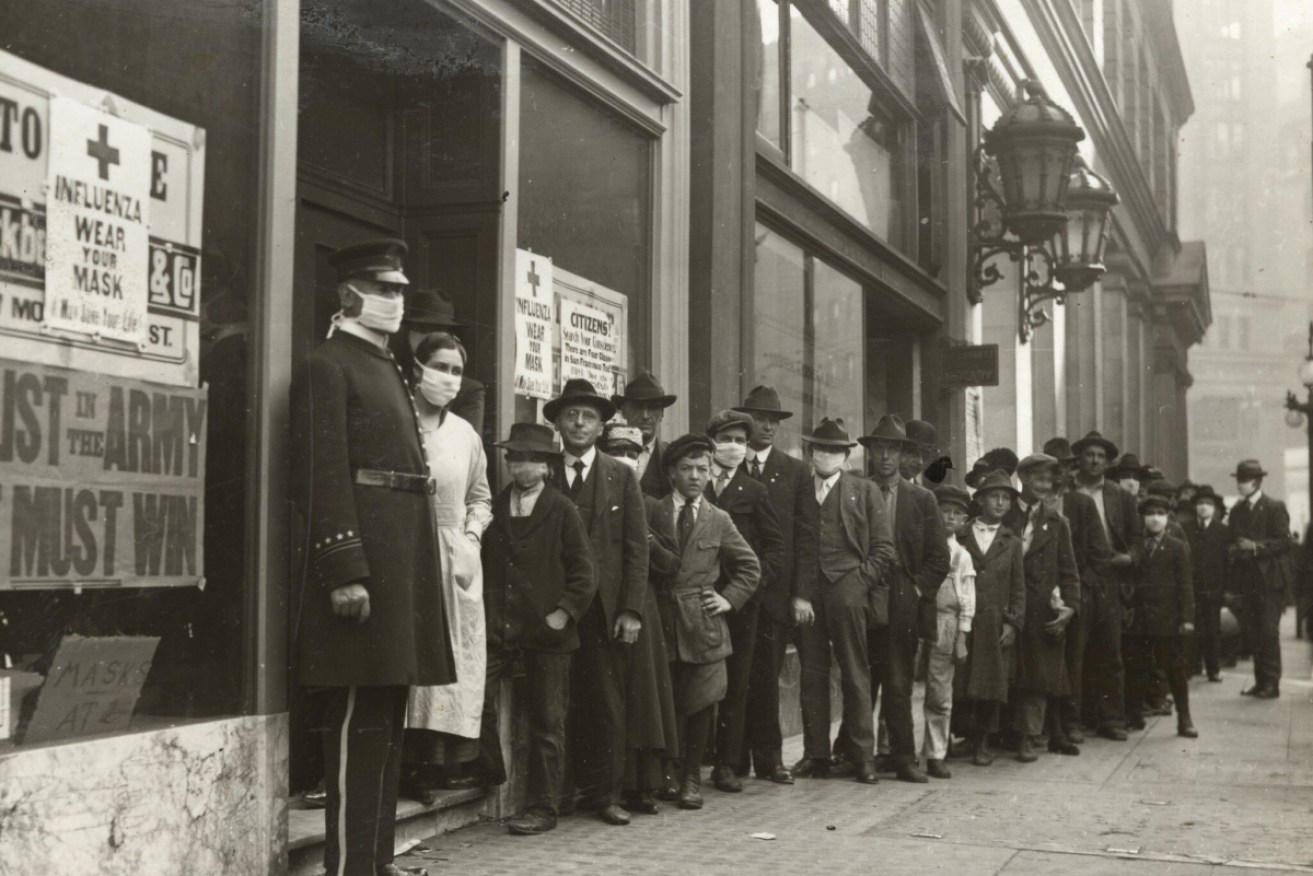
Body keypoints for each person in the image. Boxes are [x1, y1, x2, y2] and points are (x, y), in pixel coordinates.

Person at [290, 238, 454, 876]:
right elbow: (321, 472)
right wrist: (344, 568)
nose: (397, 300)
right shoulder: (329, 364)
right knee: (359, 721)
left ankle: (374, 862)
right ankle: (351, 868)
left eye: (401, 290)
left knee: (386, 723)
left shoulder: (384, 367)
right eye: (385, 289)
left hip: (402, 564)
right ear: (348, 294)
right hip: (365, 570)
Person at [478, 423, 596, 835]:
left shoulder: (562, 509)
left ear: (546, 466)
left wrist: (562, 615)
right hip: (500, 629)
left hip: (548, 634)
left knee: (547, 722)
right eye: (514, 458)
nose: (520, 466)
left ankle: (542, 807)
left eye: (530, 459)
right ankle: (490, 773)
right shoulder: (494, 506)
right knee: (476, 697)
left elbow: (585, 573)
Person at [548, 378, 649, 825]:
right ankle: (562, 791)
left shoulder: (620, 475)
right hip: (556, 609)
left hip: (606, 611)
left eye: (588, 415)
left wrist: (631, 609)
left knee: (606, 702)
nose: (579, 422)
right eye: (570, 414)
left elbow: (635, 549)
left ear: (601, 424)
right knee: (557, 701)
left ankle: (606, 794)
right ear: (557, 422)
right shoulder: (546, 472)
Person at [645, 433, 762, 809]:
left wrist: (727, 600)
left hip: (704, 626)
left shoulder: (718, 518)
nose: (695, 476)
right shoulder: (654, 511)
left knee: (701, 703)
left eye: (702, 469)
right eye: (686, 469)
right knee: (667, 702)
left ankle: (692, 777)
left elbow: (749, 567)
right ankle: (669, 773)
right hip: (662, 620)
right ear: (670, 473)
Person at [402, 332, 494, 800]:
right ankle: (404, 766)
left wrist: (471, 538)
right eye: (440, 367)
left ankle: (438, 764)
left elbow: (481, 497)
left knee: (454, 659)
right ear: (417, 368)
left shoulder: (464, 433)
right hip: (406, 549)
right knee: (410, 653)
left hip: (455, 554)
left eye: (457, 370)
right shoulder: (399, 423)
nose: (448, 378)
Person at [790, 418, 896, 784]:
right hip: (808, 593)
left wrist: (859, 581)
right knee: (812, 674)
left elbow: (884, 548)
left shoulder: (864, 491)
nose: (828, 455)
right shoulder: (801, 488)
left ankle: (862, 756)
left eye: (836, 450)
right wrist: (799, 593)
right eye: (821, 449)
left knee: (855, 671)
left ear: (847, 455)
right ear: (809, 452)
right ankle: (816, 754)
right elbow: (795, 545)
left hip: (848, 587)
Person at [857, 415, 950, 784]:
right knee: (860, 678)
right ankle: (857, 754)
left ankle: (903, 758)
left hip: (901, 595)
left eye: (892, 449)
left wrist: (914, 590)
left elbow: (939, 558)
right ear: (869, 452)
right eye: (878, 448)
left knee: (897, 682)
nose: (884, 456)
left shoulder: (922, 499)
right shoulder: (855, 490)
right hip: (864, 592)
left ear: (902, 454)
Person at [733, 385, 817, 785]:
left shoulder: (795, 470)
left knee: (766, 674)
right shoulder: (727, 464)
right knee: (734, 674)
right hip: (733, 590)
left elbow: (805, 535)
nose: (766, 426)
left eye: (772, 421)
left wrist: (801, 592)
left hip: (775, 592)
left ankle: (769, 760)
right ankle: (732, 761)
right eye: (758, 419)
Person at [597, 423, 680, 817]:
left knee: (643, 698)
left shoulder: (650, 503)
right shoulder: (594, 493)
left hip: (640, 607)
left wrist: (643, 538)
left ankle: (644, 784)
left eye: (632, 453)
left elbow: (671, 561)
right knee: (610, 700)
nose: (625, 460)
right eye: (617, 452)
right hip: (600, 607)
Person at [702, 410, 785, 793]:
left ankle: (727, 763)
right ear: (712, 442)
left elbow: (774, 549)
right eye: (726, 438)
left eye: (740, 439)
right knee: (699, 681)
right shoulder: (696, 483)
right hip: (700, 599)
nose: (733, 446)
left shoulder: (754, 491)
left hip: (740, 602)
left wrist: (747, 589)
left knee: (737, 683)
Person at [1006, 454, 1080, 762]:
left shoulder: (1056, 522)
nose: (1044, 485)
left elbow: (1069, 571)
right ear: (1022, 478)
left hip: (1039, 609)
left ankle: (1029, 737)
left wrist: (1070, 608)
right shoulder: (1002, 511)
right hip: (1004, 603)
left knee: (1035, 676)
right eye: (1038, 478)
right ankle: (988, 735)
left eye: (1050, 480)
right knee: (1002, 670)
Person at [951, 470, 1025, 767]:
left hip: (995, 622)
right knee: (961, 680)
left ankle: (983, 742)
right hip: (964, 620)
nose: (999, 502)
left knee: (991, 684)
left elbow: (1019, 588)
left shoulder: (1013, 542)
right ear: (980, 500)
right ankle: (962, 737)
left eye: (1005, 498)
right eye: (994, 496)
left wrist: (1013, 622)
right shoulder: (962, 534)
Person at [1042, 436, 1112, 745]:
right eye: (1049, 470)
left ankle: (1070, 721)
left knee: (1073, 659)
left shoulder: (1080, 504)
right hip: (1039, 593)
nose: (1057, 475)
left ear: (1070, 471)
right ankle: (1043, 724)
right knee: (1042, 658)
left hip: (1075, 593)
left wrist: (1078, 592)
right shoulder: (1031, 504)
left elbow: (1100, 554)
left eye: (1063, 469)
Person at [1071, 430, 1140, 741]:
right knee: (1075, 650)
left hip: (1109, 577)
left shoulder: (1119, 495)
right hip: (1075, 576)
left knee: (1109, 650)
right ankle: (1074, 719)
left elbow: (1137, 538)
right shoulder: (1068, 491)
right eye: (1089, 454)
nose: (1095, 460)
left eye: (1100, 456)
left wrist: (1129, 558)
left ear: (1107, 461)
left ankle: (1111, 718)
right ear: (1080, 458)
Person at [1124, 494, 1197, 738]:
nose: (1155, 518)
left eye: (1160, 513)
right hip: (1139, 619)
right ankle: (1134, 716)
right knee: (1137, 667)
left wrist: (1187, 618)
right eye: (1150, 513)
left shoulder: (1176, 547)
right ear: (1142, 517)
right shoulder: (1135, 546)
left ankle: (1184, 719)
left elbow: (1186, 585)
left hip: (1167, 619)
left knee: (1175, 669)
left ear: (1167, 518)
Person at [922, 485, 976, 779]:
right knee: (901, 686)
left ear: (964, 521)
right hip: (918, 621)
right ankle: (892, 750)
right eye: (945, 511)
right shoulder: (922, 546)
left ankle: (935, 754)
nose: (950, 517)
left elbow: (967, 600)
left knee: (939, 694)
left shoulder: (962, 556)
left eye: (957, 513)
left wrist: (962, 637)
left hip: (946, 624)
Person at [1228, 459, 1292, 699]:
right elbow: (1233, 538)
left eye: (1243, 481)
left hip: (1269, 582)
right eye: (1239, 480)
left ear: (1256, 482)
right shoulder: (1237, 510)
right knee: (1253, 633)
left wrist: (1255, 547)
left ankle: (1271, 683)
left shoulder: (1274, 507)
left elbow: (1284, 541)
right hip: (1247, 580)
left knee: (1268, 632)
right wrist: (1236, 548)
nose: (1239, 485)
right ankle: (1260, 681)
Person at [398, 286, 486, 434]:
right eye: (421, 329)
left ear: (448, 336)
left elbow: (465, 445)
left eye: (436, 330)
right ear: (409, 334)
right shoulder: (397, 379)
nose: (427, 337)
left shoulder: (468, 390)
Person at [1181, 485, 1230, 682]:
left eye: (1208, 503)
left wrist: (1226, 588)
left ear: (1215, 508)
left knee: (1212, 629)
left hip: (1214, 589)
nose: (1203, 507)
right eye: (1200, 503)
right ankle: (1193, 667)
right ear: (1195, 506)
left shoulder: (1223, 531)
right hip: (1191, 588)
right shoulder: (1186, 528)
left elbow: (1228, 562)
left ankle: (1213, 669)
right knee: (1192, 628)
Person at [613, 370, 678, 498]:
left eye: (653, 408)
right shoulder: (607, 454)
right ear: (624, 412)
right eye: (637, 407)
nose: (645, 416)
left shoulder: (673, 457)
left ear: (662, 414)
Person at [903, 419, 953, 486]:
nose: (920, 462)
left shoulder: (924, 495)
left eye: (925, 457)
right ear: (900, 451)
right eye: (914, 454)